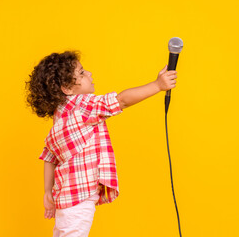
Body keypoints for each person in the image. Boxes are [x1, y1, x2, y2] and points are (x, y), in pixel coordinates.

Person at [25, 50, 178, 237]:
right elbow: (121, 100)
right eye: (81, 73)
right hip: (79, 198)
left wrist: (47, 191)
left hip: (65, 200)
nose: (89, 74)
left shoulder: (60, 116)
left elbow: (49, 156)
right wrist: (157, 85)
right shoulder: (82, 105)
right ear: (66, 87)